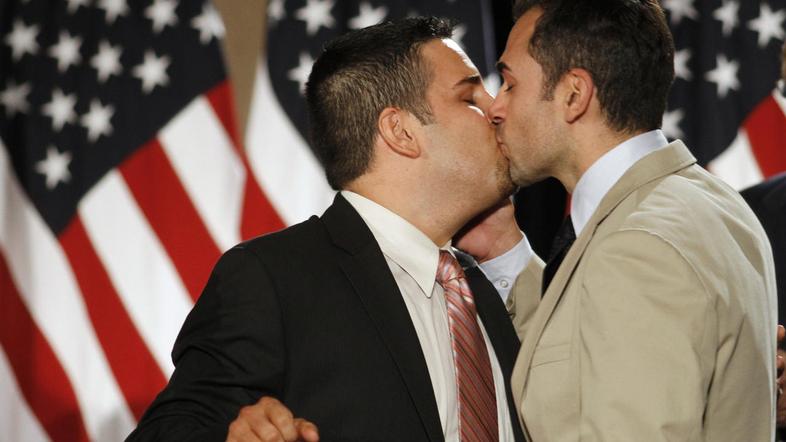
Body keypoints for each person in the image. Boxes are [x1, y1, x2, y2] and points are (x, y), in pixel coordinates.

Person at [127, 17, 526, 441]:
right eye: (469, 96)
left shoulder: (480, 284)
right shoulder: (274, 278)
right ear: (401, 132)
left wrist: (509, 251)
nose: (497, 108)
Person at [480, 0, 778, 440]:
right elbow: (580, 366)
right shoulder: (709, 202)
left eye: (509, 83)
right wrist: (503, 248)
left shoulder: (639, 246)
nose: (494, 108)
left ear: (574, 95)